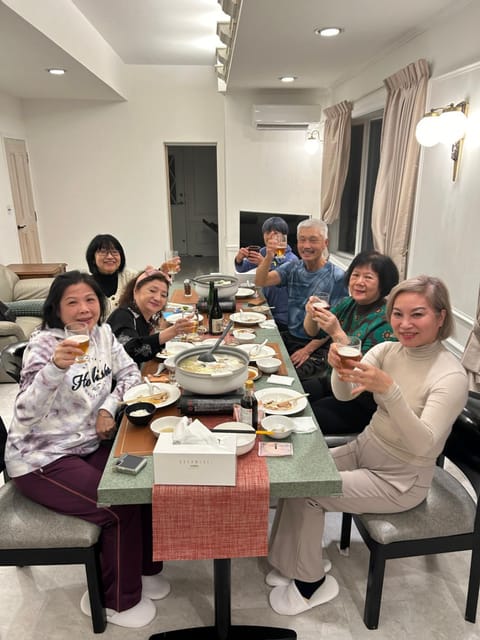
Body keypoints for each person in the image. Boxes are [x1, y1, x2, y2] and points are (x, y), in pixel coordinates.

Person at [266, 275, 468, 616]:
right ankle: (293, 562)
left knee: (311, 490)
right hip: (367, 446)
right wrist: (338, 372)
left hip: (402, 478)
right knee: (297, 473)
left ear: (441, 317)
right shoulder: (387, 350)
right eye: (397, 314)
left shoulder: (450, 376)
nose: (405, 324)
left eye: (417, 314)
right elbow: (345, 395)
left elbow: (425, 443)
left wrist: (390, 391)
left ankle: (312, 583)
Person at [4, 271, 170, 628]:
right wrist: (53, 369)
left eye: (90, 300)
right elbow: (24, 413)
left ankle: (144, 569)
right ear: (56, 309)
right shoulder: (45, 346)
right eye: (72, 302)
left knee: (143, 483)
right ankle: (118, 602)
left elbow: (130, 377)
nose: (84, 310)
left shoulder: (104, 334)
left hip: (87, 442)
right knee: (118, 507)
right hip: (41, 457)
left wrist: (108, 408)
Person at [303, 250, 399, 434]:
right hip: (332, 381)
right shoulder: (349, 304)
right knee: (294, 396)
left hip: (361, 399)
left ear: (384, 283)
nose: (359, 282)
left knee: (307, 418)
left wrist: (337, 332)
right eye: (355, 275)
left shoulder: (388, 320)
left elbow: (360, 370)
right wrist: (310, 313)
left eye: (368, 277)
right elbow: (312, 332)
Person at [254, 219, 348, 379]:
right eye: (302, 240)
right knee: (256, 358)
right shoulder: (293, 267)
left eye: (313, 240)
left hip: (318, 346)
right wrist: (269, 255)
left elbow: (336, 322)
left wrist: (307, 350)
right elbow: (261, 281)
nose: (306, 246)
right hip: (291, 337)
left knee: (286, 377)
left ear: (325, 243)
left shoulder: (337, 277)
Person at [107, 268, 194, 364]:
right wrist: (174, 331)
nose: (157, 298)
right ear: (135, 291)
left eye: (163, 295)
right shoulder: (122, 315)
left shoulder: (144, 317)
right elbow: (131, 351)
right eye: (152, 291)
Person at [86, 234, 180, 315]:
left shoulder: (129, 276)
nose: (110, 257)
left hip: (129, 332)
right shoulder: (86, 284)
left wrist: (161, 271)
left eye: (115, 252)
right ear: (93, 258)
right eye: (103, 252)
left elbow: (148, 281)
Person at [234, 216, 298, 331]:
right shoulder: (264, 251)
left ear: (284, 236)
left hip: (283, 316)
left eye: (275, 233)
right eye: (267, 232)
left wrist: (263, 263)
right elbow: (242, 268)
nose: (270, 236)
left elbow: (275, 279)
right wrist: (239, 259)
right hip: (264, 307)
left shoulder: (292, 260)